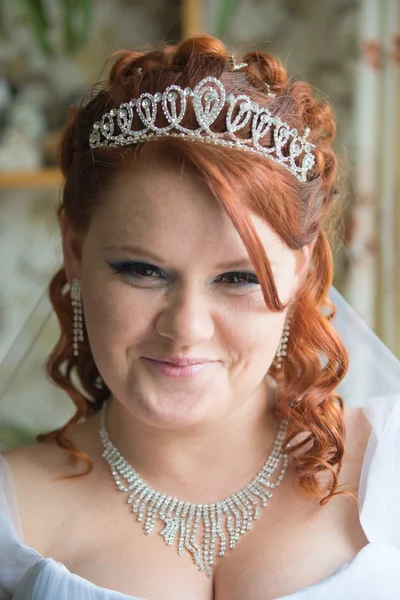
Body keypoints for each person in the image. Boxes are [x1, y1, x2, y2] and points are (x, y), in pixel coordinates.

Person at [0, 33, 399, 600]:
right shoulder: (11, 509)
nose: (186, 327)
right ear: (74, 254)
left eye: (238, 278)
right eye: (142, 270)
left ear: (302, 276)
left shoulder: (392, 464)